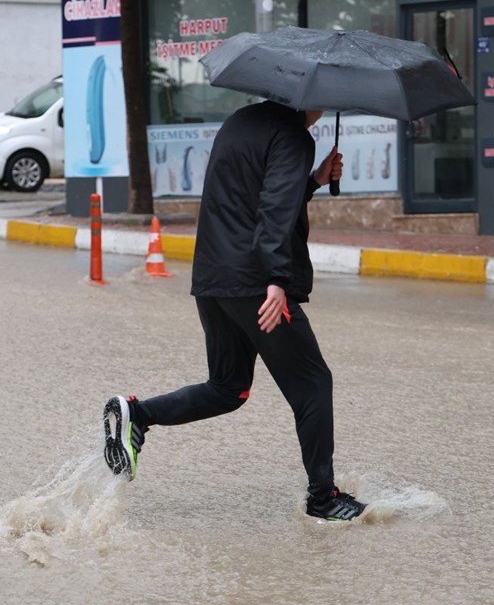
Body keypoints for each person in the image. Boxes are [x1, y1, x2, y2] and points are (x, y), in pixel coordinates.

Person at [102, 100, 365, 522]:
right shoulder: (294, 134)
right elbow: (274, 209)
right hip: (256, 282)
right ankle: (323, 498)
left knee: (229, 386)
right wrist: (277, 280)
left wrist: (313, 180)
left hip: (213, 277)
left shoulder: (242, 121)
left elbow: (252, 195)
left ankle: (139, 413)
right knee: (313, 383)